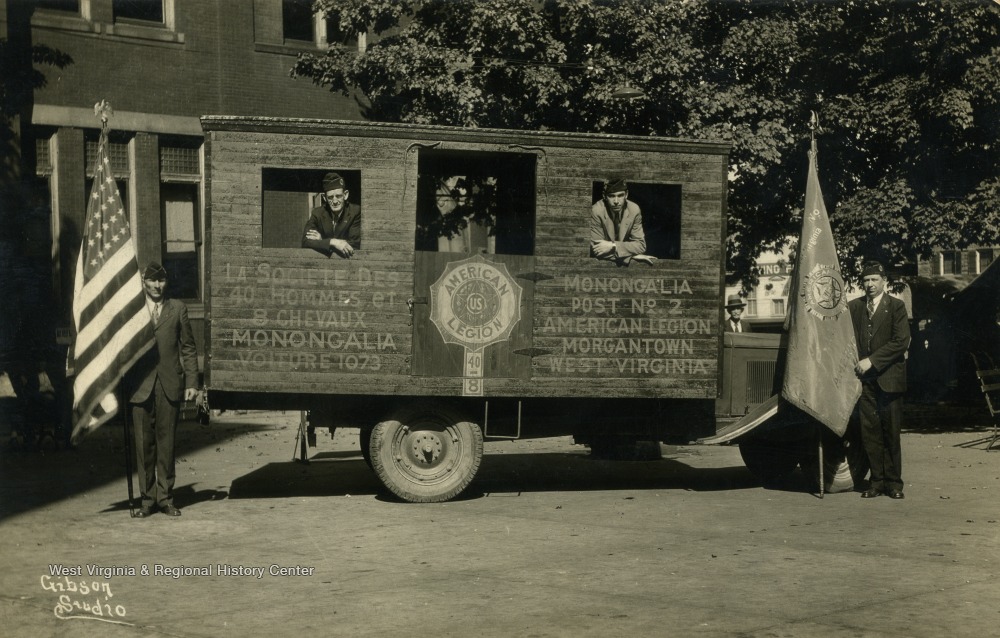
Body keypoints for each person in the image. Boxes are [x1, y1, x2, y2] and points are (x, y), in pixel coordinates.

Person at [125, 262, 199, 517]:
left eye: (162, 281)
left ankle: (165, 497)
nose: (157, 286)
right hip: (140, 387)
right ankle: (147, 500)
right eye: (152, 281)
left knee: (166, 444)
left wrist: (191, 383)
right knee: (144, 445)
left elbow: (188, 347)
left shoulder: (177, 309)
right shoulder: (132, 311)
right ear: (144, 282)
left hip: (169, 385)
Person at [848, 261, 910, 500]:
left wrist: (871, 361)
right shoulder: (854, 307)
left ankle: (894, 483)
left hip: (890, 379)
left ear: (884, 281)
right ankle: (876, 482)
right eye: (866, 280)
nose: (870, 284)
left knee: (891, 432)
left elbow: (900, 342)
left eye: (874, 280)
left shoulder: (896, 307)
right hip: (864, 381)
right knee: (870, 433)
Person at [590, 178, 656, 266]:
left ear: (626, 195)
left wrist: (613, 246)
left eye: (620, 195)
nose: (616, 201)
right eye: (611, 196)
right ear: (604, 196)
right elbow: (597, 250)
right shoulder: (596, 210)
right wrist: (631, 257)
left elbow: (640, 246)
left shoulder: (634, 209)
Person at [302, 172, 361, 258]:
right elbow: (305, 241)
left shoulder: (355, 211)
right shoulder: (317, 213)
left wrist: (322, 241)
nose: (335, 201)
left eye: (338, 196)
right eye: (330, 197)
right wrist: (333, 242)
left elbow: (354, 245)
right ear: (324, 198)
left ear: (345, 195)